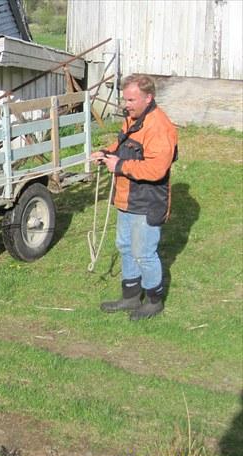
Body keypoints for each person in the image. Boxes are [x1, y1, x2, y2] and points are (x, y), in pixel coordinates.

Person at [91, 74, 178, 320]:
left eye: (131, 99)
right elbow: (122, 146)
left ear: (148, 97)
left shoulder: (159, 127)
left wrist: (119, 166)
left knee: (144, 253)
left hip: (147, 203)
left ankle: (153, 300)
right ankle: (130, 297)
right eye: (124, 99)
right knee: (125, 247)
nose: (125, 104)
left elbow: (156, 170)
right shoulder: (133, 119)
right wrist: (106, 153)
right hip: (126, 199)